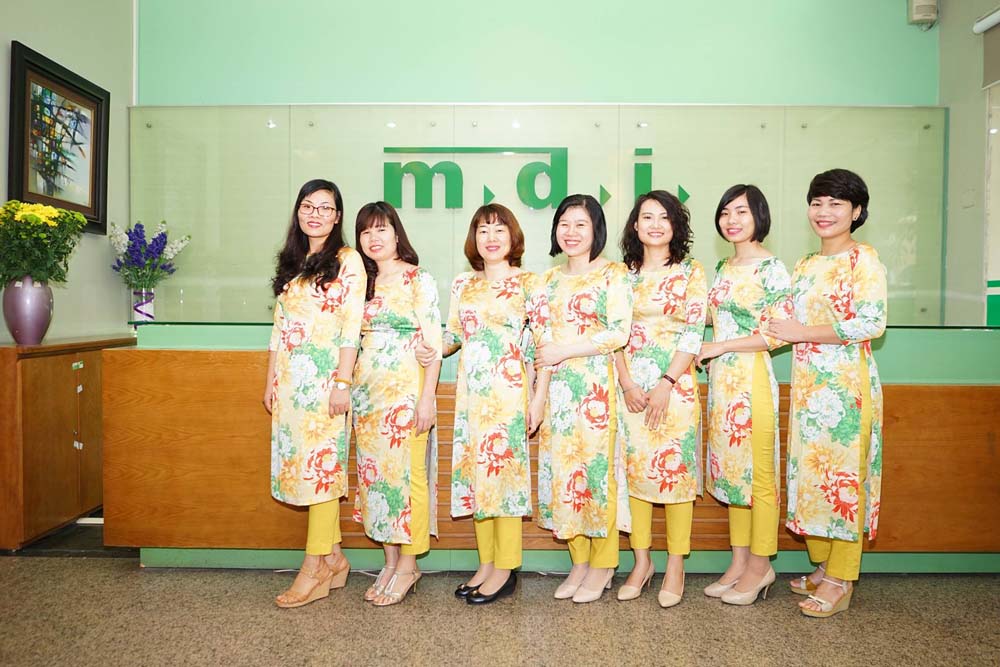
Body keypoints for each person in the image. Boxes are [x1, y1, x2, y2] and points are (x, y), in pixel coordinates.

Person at [417, 203, 552, 605]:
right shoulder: (464, 283)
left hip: (509, 393)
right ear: (473, 238)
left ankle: (506, 569)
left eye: (499, 229)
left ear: (513, 237)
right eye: (482, 230)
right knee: (479, 478)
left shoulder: (530, 282)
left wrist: (538, 398)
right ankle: (487, 563)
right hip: (471, 396)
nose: (491, 238)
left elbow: (544, 345)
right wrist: (432, 348)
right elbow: (454, 334)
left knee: (504, 480)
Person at [767, 169, 887, 618]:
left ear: (857, 211)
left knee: (844, 484)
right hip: (809, 392)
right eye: (817, 202)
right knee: (815, 479)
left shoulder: (863, 259)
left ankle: (841, 579)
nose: (824, 212)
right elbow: (780, 319)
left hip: (847, 392)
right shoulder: (804, 264)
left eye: (836, 203)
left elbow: (871, 323)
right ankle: (824, 565)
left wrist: (803, 332)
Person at [265, 178, 365, 608]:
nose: (315, 214)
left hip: (326, 385)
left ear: (337, 216)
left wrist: (342, 382)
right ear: (298, 211)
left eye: (325, 208)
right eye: (308, 206)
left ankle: (314, 567)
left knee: (322, 474)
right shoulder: (293, 260)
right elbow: (279, 328)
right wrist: (270, 379)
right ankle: (336, 559)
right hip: (291, 385)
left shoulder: (348, 260)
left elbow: (352, 326)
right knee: (304, 471)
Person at [533, 194, 632, 604]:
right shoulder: (546, 280)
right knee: (564, 475)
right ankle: (579, 561)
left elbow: (619, 332)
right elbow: (542, 344)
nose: (571, 232)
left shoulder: (613, 274)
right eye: (564, 224)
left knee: (597, 476)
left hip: (596, 390)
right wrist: (538, 397)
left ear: (596, 231)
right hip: (557, 393)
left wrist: (565, 351)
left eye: (581, 224)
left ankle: (604, 563)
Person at [697, 185, 793, 605]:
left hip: (751, 378)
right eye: (725, 212)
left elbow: (777, 334)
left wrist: (720, 346)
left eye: (741, 212)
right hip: (722, 383)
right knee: (733, 475)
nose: (731, 220)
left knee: (760, 478)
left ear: (759, 217)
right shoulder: (724, 265)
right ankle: (738, 563)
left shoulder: (772, 269)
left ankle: (760, 566)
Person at [614, 190, 706, 608]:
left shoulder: (690, 272)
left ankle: (675, 566)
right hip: (631, 389)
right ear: (635, 225)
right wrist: (628, 384)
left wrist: (667, 382)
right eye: (647, 217)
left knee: (676, 477)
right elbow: (613, 333)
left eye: (664, 217)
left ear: (676, 226)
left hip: (676, 386)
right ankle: (641, 562)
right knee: (635, 475)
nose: (655, 224)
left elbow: (693, 331)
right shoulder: (621, 275)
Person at [351, 201, 442, 607]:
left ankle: (409, 564)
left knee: (408, 478)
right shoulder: (360, 282)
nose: (373, 238)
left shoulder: (417, 278)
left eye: (381, 229)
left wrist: (427, 399)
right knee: (374, 478)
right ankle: (389, 562)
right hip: (367, 393)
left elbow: (434, 347)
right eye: (366, 231)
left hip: (406, 392)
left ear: (396, 233)